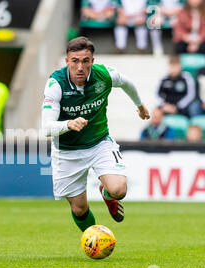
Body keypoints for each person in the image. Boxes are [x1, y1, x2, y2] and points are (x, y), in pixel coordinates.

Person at [41, 36, 150, 232]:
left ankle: (107, 195)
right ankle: (95, 240)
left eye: (85, 61)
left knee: (119, 190)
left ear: (92, 61)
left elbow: (127, 83)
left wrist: (139, 105)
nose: (80, 67)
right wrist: (68, 124)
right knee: (79, 208)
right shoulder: (55, 84)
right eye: (75, 61)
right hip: (67, 151)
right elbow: (47, 128)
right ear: (67, 62)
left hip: (99, 142)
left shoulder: (104, 75)